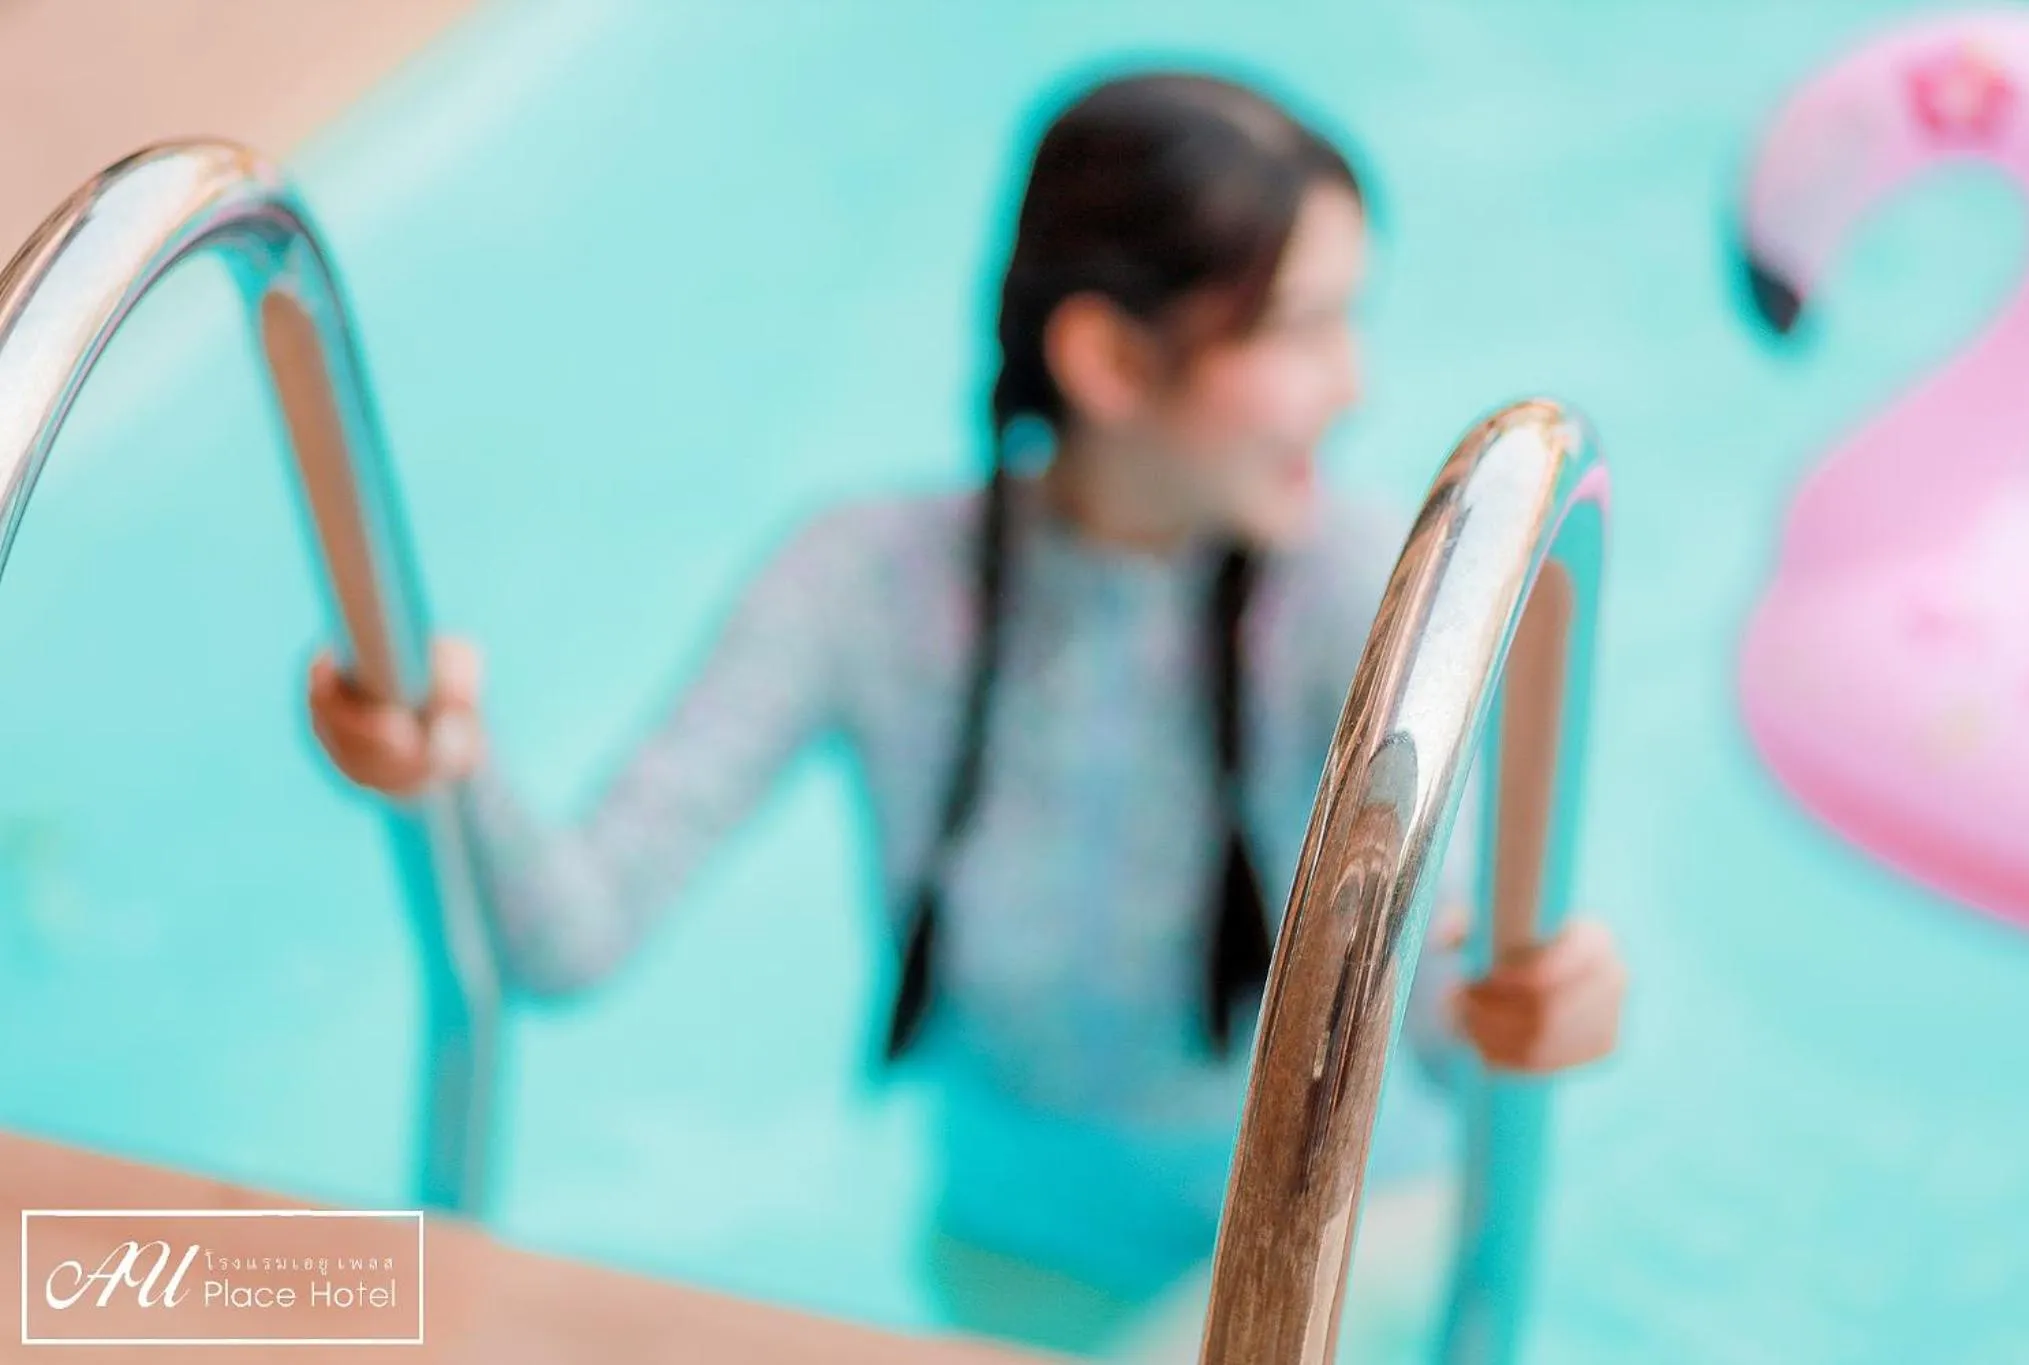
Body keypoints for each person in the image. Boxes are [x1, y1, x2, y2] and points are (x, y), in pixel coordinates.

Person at [307, 69, 1626, 1354]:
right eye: (1299, 329)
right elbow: (568, 943)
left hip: (1347, 1265)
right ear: (1110, 357)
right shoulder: (860, 589)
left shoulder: (1357, 599)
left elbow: (1436, 1014)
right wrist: (443, 764)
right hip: (1007, 1256)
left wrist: (1535, 1000)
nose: (1357, 386)